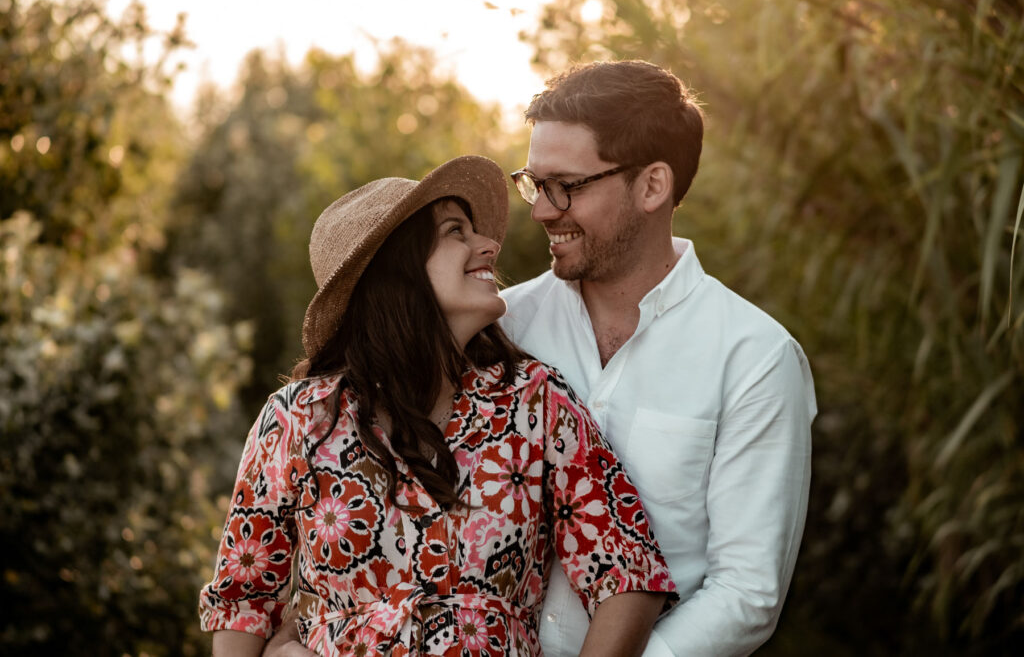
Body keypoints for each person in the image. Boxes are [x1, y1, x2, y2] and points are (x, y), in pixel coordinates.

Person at [199, 155, 677, 656]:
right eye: (456, 232)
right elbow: (243, 602)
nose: (489, 245)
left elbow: (628, 572)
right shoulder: (299, 419)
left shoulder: (536, 401)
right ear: (396, 272)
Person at [500, 60, 817, 656]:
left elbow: (746, 593)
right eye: (534, 183)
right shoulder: (500, 327)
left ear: (651, 186)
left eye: (566, 185)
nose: (542, 209)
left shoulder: (755, 358)